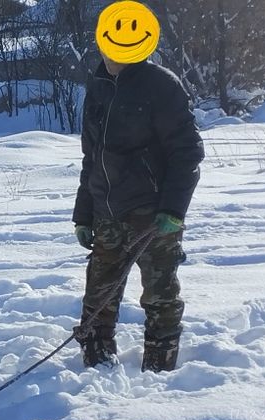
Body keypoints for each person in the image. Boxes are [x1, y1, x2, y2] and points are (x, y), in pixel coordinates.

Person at [72, 53, 204, 373]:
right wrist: (84, 213)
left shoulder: (160, 85)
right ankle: (96, 366)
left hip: (154, 214)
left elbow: (187, 152)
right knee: (98, 293)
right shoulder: (98, 85)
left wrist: (173, 209)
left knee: (160, 294)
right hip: (106, 211)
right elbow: (92, 158)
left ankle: (159, 371)